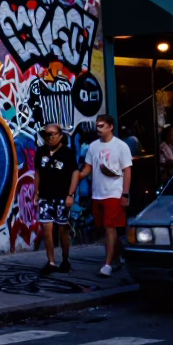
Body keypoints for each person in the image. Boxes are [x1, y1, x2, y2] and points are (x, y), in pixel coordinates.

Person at [78, 113, 132, 276]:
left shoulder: (121, 146)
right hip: (97, 193)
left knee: (110, 228)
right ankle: (119, 256)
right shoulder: (93, 146)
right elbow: (88, 167)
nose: (98, 129)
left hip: (114, 193)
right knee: (106, 229)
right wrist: (77, 176)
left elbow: (127, 170)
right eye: (97, 126)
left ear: (111, 127)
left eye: (101, 126)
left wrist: (125, 193)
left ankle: (107, 265)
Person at [34, 123, 80, 275]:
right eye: (47, 134)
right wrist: (36, 192)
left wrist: (70, 195)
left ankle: (65, 260)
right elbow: (38, 172)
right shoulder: (40, 152)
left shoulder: (67, 153)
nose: (50, 137)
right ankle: (51, 262)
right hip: (45, 197)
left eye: (53, 134)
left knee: (63, 231)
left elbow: (75, 173)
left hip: (62, 197)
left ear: (60, 135)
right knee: (47, 231)